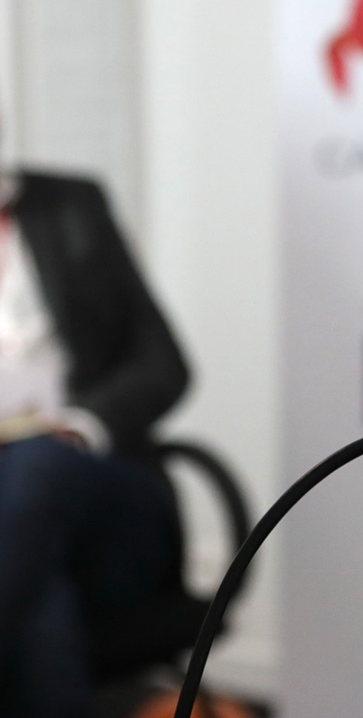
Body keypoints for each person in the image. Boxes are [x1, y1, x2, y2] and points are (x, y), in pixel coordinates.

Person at [0, 168, 189, 718]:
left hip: (105, 505)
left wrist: (81, 427)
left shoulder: (70, 204)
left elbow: (165, 364)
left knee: (39, 462)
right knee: (41, 605)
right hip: (23, 547)